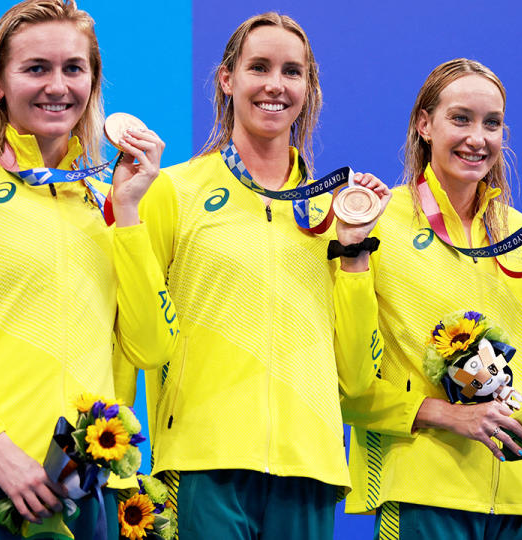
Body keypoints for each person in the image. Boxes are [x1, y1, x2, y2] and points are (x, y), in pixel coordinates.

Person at [0, 1, 176, 537]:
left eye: (73, 68)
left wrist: (129, 213)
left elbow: (151, 348)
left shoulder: (108, 202)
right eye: (35, 68)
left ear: (92, 80)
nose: (57, 86)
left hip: (85, 484)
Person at [135, 12, 388, 540]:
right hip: (205, 460)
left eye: (292, 71)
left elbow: (360, 377)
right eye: (259, 67)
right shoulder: (174, 192)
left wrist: (355, 252)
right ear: (227, 80)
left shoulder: (338, 212)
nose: (275, 84)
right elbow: (135, 332)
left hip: (309, 467)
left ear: (309, 88)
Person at [341, 58, 522, 539]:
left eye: (492, 123)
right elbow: (349, 379)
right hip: (425, 487)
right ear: (424, 124)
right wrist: (449, 414)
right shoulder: (377, 222)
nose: (478, 138)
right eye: (460, 119)